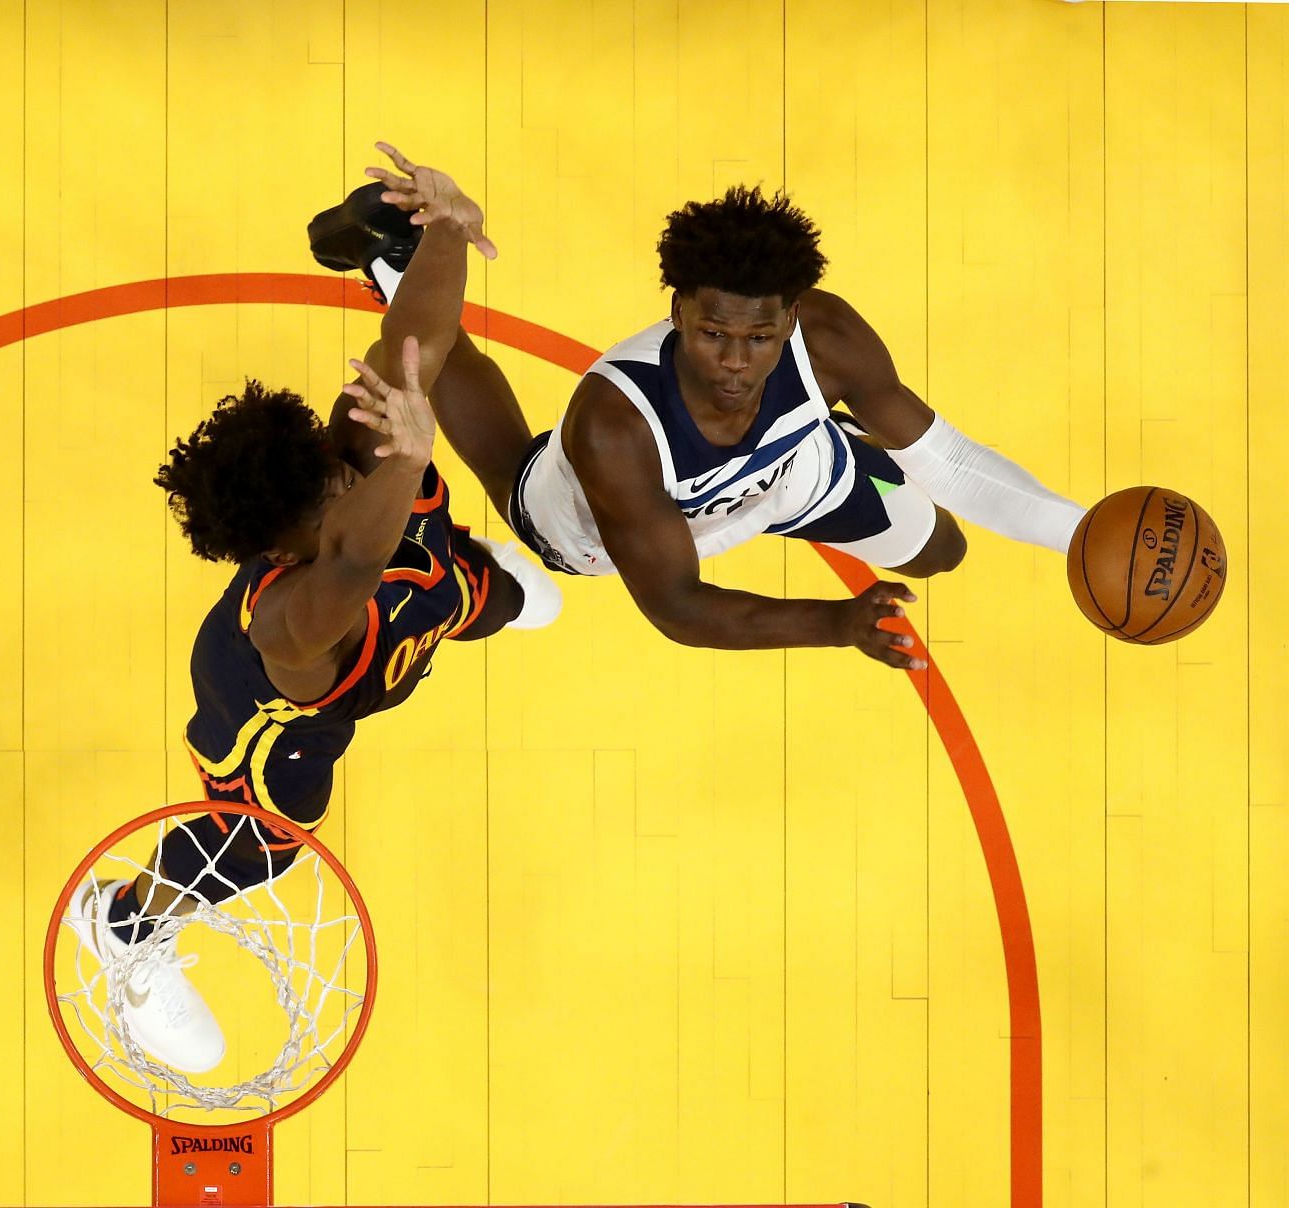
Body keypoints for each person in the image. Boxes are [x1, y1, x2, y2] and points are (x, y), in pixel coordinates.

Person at [66, 145, 560, 1073]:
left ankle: (472, 590)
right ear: (282, 545)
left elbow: (419, 337)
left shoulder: (351, 457)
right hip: (291, 713)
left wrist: (446, 233)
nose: (347, 470)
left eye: (339, 462)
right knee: (263, 846)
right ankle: (129, 925)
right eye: (331, 490)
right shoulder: (292, 621)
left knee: (462, 586)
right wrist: (407, 463)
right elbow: (357, 557)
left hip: (414, 581)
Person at [317, 182, 1089, 673]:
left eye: (760, 338)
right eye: (714, 333)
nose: (735, 362)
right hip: (612, 527)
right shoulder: (614, 423)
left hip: (793, 477)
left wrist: (1082, 534)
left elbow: (946, 456)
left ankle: (830, 450)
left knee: (942, 553)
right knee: (511, 468)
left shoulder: (828, 341)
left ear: (791, 316)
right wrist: (833, 624)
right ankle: (397, 263)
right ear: (678, 310)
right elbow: (677, 606)